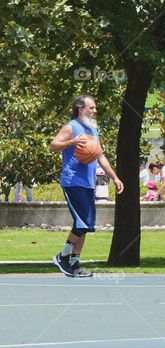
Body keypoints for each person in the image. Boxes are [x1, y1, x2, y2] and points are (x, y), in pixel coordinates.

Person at [49, 95, 124, 278]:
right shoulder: (71, 127)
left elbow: (100, 157)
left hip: (88, 183)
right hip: (72, 181)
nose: (95, 111)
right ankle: (62, 256)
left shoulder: (92, 130)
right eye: (91, 107)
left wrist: (115, 177)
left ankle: (74, 262)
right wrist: (72, 143)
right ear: (81, 109)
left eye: (95, 107)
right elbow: (53, 146)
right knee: (82, 223)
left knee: (86, 225)